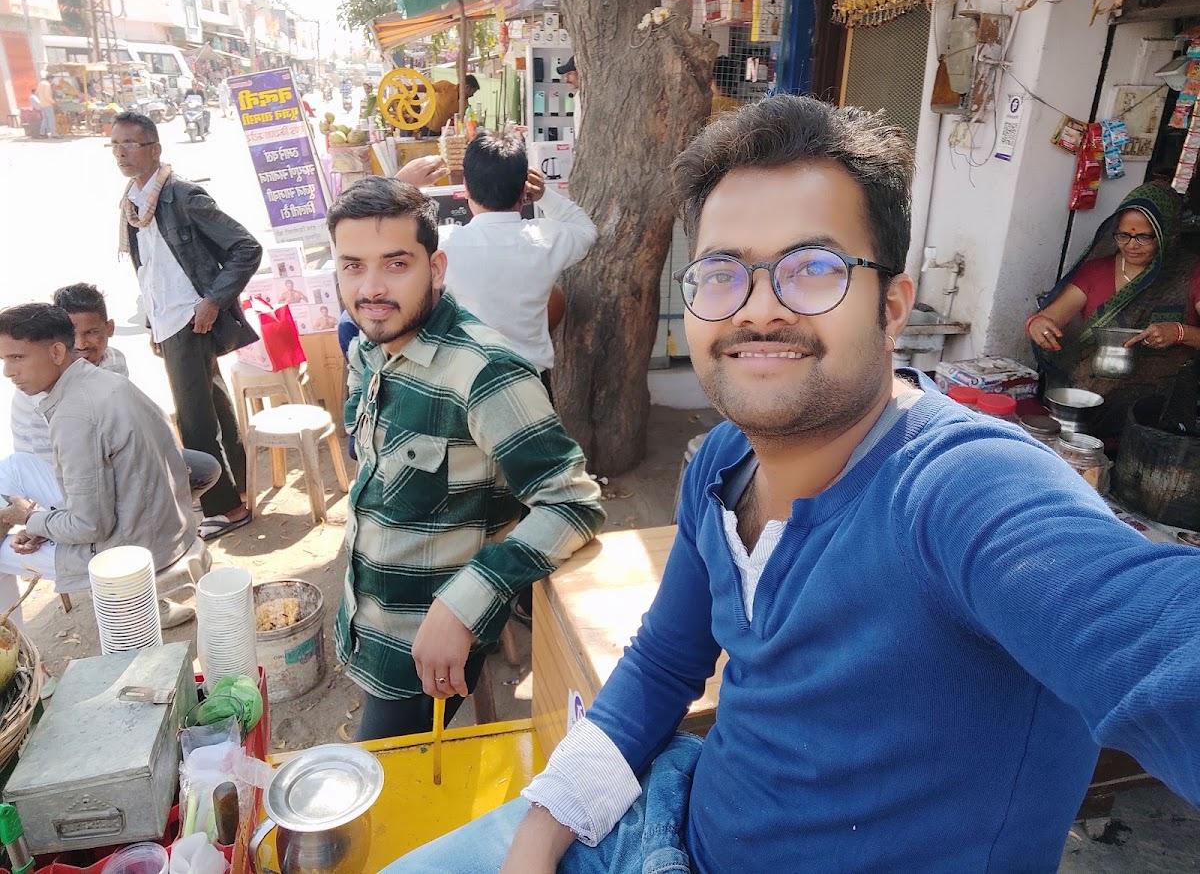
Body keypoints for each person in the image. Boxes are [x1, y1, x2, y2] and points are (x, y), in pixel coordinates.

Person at [387, 95, 1200, 873]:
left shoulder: (963, 490)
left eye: (812, 269)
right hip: (664, 822)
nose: (758, 310)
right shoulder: (719, 463)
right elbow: (666, 664)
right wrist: (540, 836)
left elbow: (1163, 645)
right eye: (721, 274)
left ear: (892, 307)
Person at [328, 176, 604, 740]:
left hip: (424, 652)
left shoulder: (485, 373)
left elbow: (573, 503)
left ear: (436, 268)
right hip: (365, 620)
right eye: (353, 266)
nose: (372, 288)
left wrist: (467, 600)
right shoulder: (368, 349)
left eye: (396, 264)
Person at [111, 111, 261, 541]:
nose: (121, 153)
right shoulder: (134, 201)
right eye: (115, 145)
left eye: (130, 144)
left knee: (195, 421)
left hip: (189, 317)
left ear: (154, 149)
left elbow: (245, 248)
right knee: (212, 405)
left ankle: (226, 508)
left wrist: (214, 300)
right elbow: (151, 271)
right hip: (170, 320)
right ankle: (239, 487)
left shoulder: (181, 196)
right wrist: (152, 323)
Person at [0, 305, 194, 626]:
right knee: (14, 466)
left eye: (17, 358)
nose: (8, 372)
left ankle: (13, 651)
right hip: (162, 523)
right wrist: (43, 524)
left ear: (57, 351)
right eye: (5, 360)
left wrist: (28, 519)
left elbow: (90, 527)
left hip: (133, 550)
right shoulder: (98, 379)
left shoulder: (73, 416)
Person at [1029, 183, 1200, 437]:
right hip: (1093, 389)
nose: (1132, 245)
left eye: (1144, 236)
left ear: (1167, 234)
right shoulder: (1096, 271)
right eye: (1123, 236)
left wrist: (1179, 332)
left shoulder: (1190, 273)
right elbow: (1049, 318)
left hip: (1156, 406)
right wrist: (1038, 325)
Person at [442, 132, 597, 388]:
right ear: (523, 189)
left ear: (466, 187)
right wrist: (546, 196)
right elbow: (586, 230)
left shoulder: (444, 245)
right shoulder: (544, 238)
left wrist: (401, 182)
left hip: (468, 382)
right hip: (530, 380)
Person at [36, 73, 57, 139]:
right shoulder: (47, 85)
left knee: (45, 119)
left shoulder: (40, 83)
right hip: (47, 104)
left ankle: (42, 133)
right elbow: (47, 96)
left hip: (42, 104)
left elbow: (37, 93)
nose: (52, 81)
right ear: (50, 79)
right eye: (52, 79)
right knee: (51, 119)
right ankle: (53, 134)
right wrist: (53, 102)